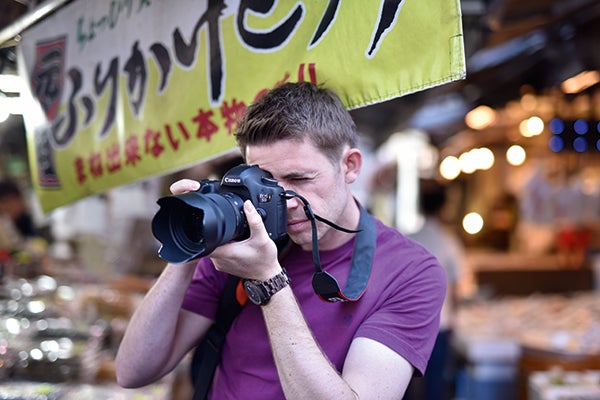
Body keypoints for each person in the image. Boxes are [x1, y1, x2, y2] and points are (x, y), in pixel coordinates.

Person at [115, 82, 446, 399]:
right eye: (264, 183)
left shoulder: (411, 271)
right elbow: (133, 372)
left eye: (299, 178)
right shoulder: (238, 247)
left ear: (350, 166)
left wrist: (268, 280)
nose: (283, 199)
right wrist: (190, 244)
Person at [405, 179, 464, 400]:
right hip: (441, 324)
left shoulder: (408, 239)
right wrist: (457, 317)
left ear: (420, 206)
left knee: (405, 386)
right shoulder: (449, 242)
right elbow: (457, 287)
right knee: (436, 385)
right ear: (443, 208)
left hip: (409, 325)